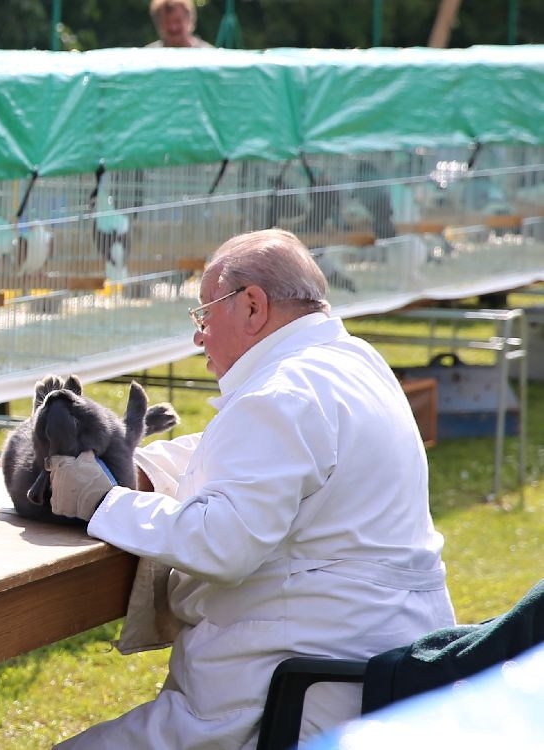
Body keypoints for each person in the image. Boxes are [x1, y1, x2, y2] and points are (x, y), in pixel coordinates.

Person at [45, 229, 456, 749]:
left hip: (295, 689)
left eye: (204, 315)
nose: (199, 337)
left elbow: (222, 545)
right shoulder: (348, 362)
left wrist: (103, 500)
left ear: (253, 306)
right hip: (374, 665)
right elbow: (246, 455)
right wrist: (136, 465)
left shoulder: (283, 392)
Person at [146, 0, 212, 49]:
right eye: (167, 22)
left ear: (190, 19)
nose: (173, 27)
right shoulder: (148, 57)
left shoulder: (209, 55)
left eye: (178, 21)